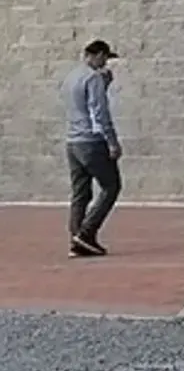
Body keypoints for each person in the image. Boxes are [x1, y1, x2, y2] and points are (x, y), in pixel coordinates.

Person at [61, 39, 122, 257]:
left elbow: (79, 105)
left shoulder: (70, 78)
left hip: (73, 142)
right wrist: (112, 142)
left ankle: (76, 240)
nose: (105, 63)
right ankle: (86, 234)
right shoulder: (93, 77)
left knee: (80, 193)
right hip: (91, 141)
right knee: (111, 186)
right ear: (95, 55)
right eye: (104, 58)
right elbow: (99, 112)